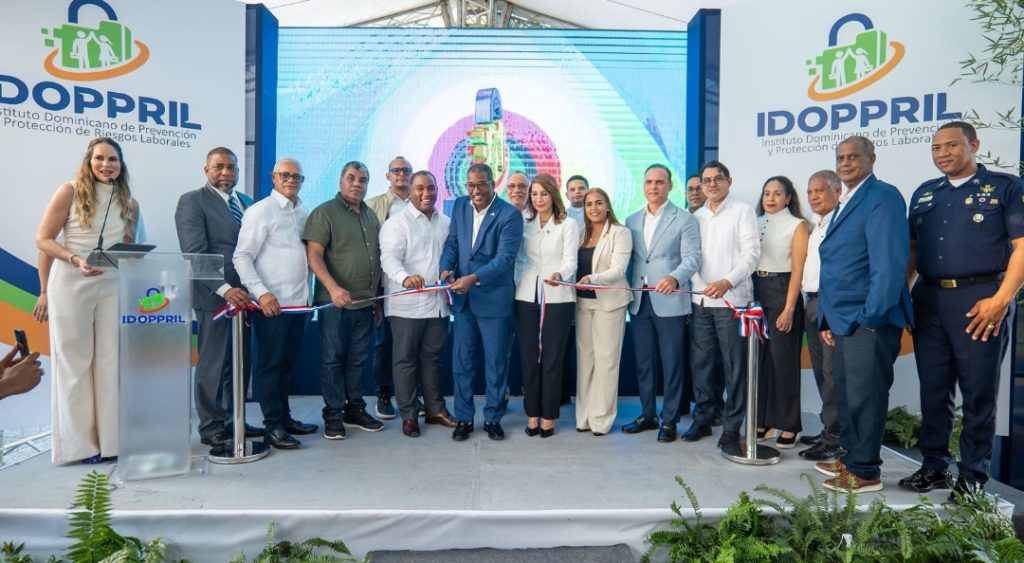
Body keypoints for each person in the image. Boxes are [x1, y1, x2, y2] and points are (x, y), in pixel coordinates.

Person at [898, 121, 1024, 501]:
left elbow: (1021, 247)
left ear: (974, 145)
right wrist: (902, 297)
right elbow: (913, 251)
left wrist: (1001, 299)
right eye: (936, 148)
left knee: (977, 392)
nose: (943, 154)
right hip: (929, 301)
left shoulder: (1005, 187)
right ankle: (934, 466)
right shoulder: (925, 193)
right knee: (934, 390)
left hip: (980, 301)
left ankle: (972, 476)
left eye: (952, 145)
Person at [815, 135, 913, 493]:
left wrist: (871, 318)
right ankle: (852, 458)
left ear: (872, 158)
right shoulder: (848, 199)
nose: (845, 163)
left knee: (866, 396)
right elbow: (837, 264)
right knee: (848, 395)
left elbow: (888, 265)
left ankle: (865, 471)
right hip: (844, 319)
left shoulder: (882, 196)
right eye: (840, 157)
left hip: (868, 319)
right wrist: (827, 318)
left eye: (853, 156)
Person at [36, 137, 139, 464]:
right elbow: (43, 240)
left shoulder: (130, 202)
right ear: (89, 161)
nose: (106, 165)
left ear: (121, 164)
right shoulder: (68, 191)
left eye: (113, 159)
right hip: (71, 280)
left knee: (110, 362)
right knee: (74, 363)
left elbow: (128, 245)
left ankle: (112, 443)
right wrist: (74, 261)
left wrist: (133, 254)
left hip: (111, 284)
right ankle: (80, 447)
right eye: (100, 158)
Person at [175, 148, 283, 450]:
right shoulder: (192, 201)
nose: (226, 172)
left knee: (238, 363)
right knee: (213, 364)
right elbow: (194, 253)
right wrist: (224, 289)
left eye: (231, 167)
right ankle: (211, 427)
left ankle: (235, 419)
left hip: (246, 296)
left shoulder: (246, 202)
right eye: (218, 167)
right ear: (206, 170)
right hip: (215, 297)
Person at [233, 157, 315, 450]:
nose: (291, 180)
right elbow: (242, 257)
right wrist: (261, 293)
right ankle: (273, 427)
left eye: (296, 176)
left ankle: (285, 418)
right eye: (285, 175)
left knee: (286, 366)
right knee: (270, 366)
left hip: (299, 305)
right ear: (273, 177)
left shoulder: (304, 211)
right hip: (272, 305)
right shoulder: (260, 211)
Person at [439, 163, 523, 441]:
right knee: (462, 363)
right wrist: (445, 267)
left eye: (481, 185)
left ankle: (493, 418)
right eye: (470, 185)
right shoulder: (460, 206)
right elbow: (453, 243)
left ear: (493, 183)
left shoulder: (510, 215)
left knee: (496, 364)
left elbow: (504, 259)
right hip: (463, 302)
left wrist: (472, 278)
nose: (475, 191)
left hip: (494, 301)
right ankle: (464, 418)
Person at [304, 161, 385, 440]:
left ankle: (355, 410)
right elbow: (314, 256)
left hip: (365, 304)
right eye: (351, 178)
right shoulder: (324, 212)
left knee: (358, 360)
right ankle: (333, 415)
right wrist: (333, 288)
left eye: (362, 180)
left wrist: (377, 301)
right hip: (335, 304)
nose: (357, 184)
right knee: (333, 360)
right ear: (340, 181)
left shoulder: (370, 215)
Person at [684, 160, 759, 452]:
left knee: (734, 368)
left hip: (732, 301)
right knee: (701, 365)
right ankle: (703, 419)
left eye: (718, 178)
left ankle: (731, 428)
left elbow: (751, 255)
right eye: (707, 180)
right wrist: (700, 284)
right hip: (701, 300)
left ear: (729, 181)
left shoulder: (743, 211)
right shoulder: (697, 216)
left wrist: (726, 282)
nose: (712, 184)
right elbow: (691, 257)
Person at [623, 164, 701, 442]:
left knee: (672, 363)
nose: (653, 187)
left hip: (670, 300)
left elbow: (693, 258)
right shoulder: (631, 219)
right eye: (649, 182)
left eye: (659, 182)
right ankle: (648, 414)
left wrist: (674, 277)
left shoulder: (684, 219)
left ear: (670, 186)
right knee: (644, 363)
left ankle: (669, 421)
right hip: (639, 301)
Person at [379, 170, 458, 437]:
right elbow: (389, 259)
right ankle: (409, 416)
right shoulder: (396, 223)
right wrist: (405, 278)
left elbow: (451, 256)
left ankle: (436, 410)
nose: (426, 193)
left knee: (432, 359)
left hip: (438, 305)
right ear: (411, 191)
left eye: (431, 188)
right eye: (420, 188)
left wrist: (451, 273)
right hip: (406, 305)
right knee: (405, 361)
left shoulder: (445, 222)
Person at [515, 174, 578, 437]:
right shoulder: (524, 223)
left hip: (557, 296)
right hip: (526, 295)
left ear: (553, 195)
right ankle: (532, 413)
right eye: (534, 194)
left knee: (552, 357)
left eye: (544, 193)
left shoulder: (568, 224)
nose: (539, 199)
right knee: (529, 357)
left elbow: (571, 261)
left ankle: (549, 415)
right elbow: (518, 260)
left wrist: (560, 275)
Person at [753, 176, 809, 449]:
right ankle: (764, 420)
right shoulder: (754, 222)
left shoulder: (797, 225)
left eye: (777, 193)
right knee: (760, 360)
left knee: (783, 361)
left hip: (783, 290)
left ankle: (789, 424)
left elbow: (798, 269)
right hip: (756, 290)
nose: (771, 198)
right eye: (767, 193)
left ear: (788, 197)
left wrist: (789, 308)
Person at [574, 188, 632, 436]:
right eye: (589, 204)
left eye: (599, 203)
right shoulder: (580, 233)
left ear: (608, 205)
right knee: (585, 362)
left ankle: (601, 420)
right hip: (582, 304)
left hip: (609, 303)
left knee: (606, 362)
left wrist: (594, 278)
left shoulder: (620, 232)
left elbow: (619, 269)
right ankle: (584, 417)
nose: (594, 208)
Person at [798, 170, 846, 462]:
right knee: (821, 372)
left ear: (837, 191)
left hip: (830, 304)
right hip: (812, 302)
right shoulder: (816, 224)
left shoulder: (841, 222)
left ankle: (836, 438)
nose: (814, 196)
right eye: (810, 192)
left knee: (832, 373)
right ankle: (829, 429)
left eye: (820, 190)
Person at [365, 156, 414, 420]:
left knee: (413, 345)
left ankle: (412, 395)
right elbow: (369, 250)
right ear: (388, 176)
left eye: (406, 170)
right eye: (396, 170)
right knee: (384, 343)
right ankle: (384, 393)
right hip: (385, 286)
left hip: (417, 286)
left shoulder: (424, 202)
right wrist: (373, 293)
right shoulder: (373, 206)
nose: (401, 174)